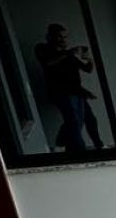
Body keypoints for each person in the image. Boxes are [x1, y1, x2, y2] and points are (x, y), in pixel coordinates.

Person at [34, 24, 105, 153]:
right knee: (74, 121)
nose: (63, 40)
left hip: (77, 92)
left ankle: (93, 145)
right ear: (50, 37)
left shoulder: (68, 55)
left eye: (65, 37)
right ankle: (77, 151)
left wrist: (89, 59)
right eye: (59, 37)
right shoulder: (43, 48)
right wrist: (69, 52)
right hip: (61, 93)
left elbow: (88, 69)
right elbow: (48, 62)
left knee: (87, 119)